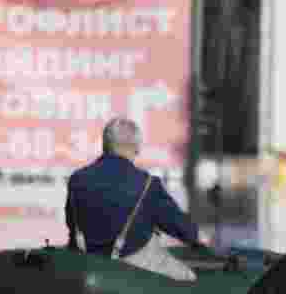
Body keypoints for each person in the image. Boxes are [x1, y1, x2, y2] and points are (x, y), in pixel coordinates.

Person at [66, 117, 205, 282]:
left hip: (87, 264)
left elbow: (72, 225)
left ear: (104, 145)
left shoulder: (77, 179)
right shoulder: (147, 184)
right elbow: (177, 225)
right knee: (189, 277)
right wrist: (197, 238)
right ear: (137, 148)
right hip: (133, 265)